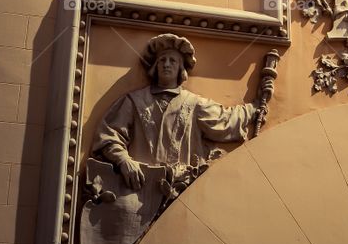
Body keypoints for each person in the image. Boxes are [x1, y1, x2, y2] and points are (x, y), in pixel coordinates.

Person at [92, 33, 259, 188]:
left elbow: (226, 120)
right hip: (139, 189)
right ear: (155, 67)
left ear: (181, 68)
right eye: (162, 60)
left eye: (173, 61)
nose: (166, 64)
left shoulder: (195, 104)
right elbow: (108, 135)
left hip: (182, 189)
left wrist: (255, 107)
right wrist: (123, 161)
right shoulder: (133, 101)